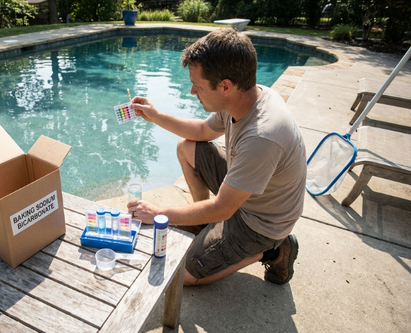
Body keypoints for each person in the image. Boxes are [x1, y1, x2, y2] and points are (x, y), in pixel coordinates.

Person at [127, 28, 306, 286]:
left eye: (198, 86)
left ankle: (273, 250)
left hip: (261, 221)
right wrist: (155, 116)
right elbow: (201, 131)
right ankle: (204, 225)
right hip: (246, 193)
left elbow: (223, 207)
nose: (191, 91)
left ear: (225, 86)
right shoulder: (242, 97)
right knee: (187, 147)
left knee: (184, 275)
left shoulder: (262, 137)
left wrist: (158, 214)